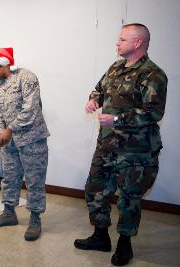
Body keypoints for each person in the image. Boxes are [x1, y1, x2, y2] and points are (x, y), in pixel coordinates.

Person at [74, 23, 167, 266]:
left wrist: (118, 118)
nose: (117, 43)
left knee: (129, 198)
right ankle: (100, 236)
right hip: (106, 145)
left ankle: (125, 245)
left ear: (137, 43)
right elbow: (99, 90)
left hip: (135, 152)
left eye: (122, 39)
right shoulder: (116, 67)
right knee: (95, 189)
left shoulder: (152, 74)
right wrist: (93, 101)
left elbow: (153, 113)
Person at [0, 48, 49, 241]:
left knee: (34, 180)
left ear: (3, 66)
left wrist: (9, 129)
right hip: (8, 141)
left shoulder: (26, 78)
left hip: (31, 139)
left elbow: (31, 109)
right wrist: (0, 134)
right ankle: (9, 213)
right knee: (10, 177)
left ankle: (35, 219)